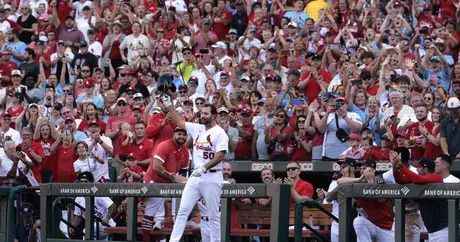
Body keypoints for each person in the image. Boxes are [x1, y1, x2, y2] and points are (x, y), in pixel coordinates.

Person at [162, 95, 228, 242]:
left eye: (206, 113)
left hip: (212, 176)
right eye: (201, 113)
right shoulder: (197, 128)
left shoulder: (219, 133)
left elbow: (220, 156)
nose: (202, 116)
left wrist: (204, 168)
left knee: (213, 215)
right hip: (196, 177)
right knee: (182, 211)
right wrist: (169, 104)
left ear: (214, 115)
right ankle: (173, 240)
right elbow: (179, 121)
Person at [141, 127, 189, 242]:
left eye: (184, 134)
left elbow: (183, 173)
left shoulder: (185, 151)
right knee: (151, 212)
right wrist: (173, 177)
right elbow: (156, 166)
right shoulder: (165, 145)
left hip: (168, 184)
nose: (181, 136)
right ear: (173, 134)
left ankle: (163, 238)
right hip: (153, 180)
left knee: (180, 204)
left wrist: (182, 180)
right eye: (179, 134)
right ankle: (146, 239)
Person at [350, 159, 394, 242]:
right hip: (369, 225)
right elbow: (340, 182)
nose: (362, 171)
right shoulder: (358, 185)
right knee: (358, 221)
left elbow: (381, 199)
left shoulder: (381, 182)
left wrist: (370, 181)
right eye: (361, 169)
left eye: (365, 168)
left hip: (384, 227)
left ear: (373, 170)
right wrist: (358, 180)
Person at [70, 172, 116, 240]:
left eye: (85, 181)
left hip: (105, 224)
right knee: (88, 231)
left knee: (87, 231)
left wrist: (107, 218)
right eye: (81, 181)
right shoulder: (78, 198)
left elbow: (112, 206)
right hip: (93, 226)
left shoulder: (97, 193)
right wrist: (73, 226)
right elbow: (78, 216)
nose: (83, 184)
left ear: (91, 183)